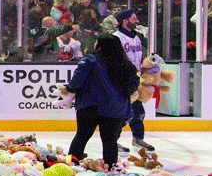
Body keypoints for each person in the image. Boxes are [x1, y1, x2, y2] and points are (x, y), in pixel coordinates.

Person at [64, 35, 140, 167]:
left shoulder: (91, 59)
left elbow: (78, 79)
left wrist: (69, 88)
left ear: (99, 45)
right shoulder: (126, 64)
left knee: (82, 136)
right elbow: (134, 85)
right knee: (110, 140)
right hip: (116, 108)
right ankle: (110, 169)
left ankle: (70, 166)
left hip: (90, 105)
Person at [113, 10, 154, 152]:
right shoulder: (116, 38)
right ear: (125, 21)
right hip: (122, 82)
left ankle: (138, 138)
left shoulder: (136, 38)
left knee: (138, 112)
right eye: (134, 18)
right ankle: (112, 141)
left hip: (135, 81)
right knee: (124, 114)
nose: (137, 21)